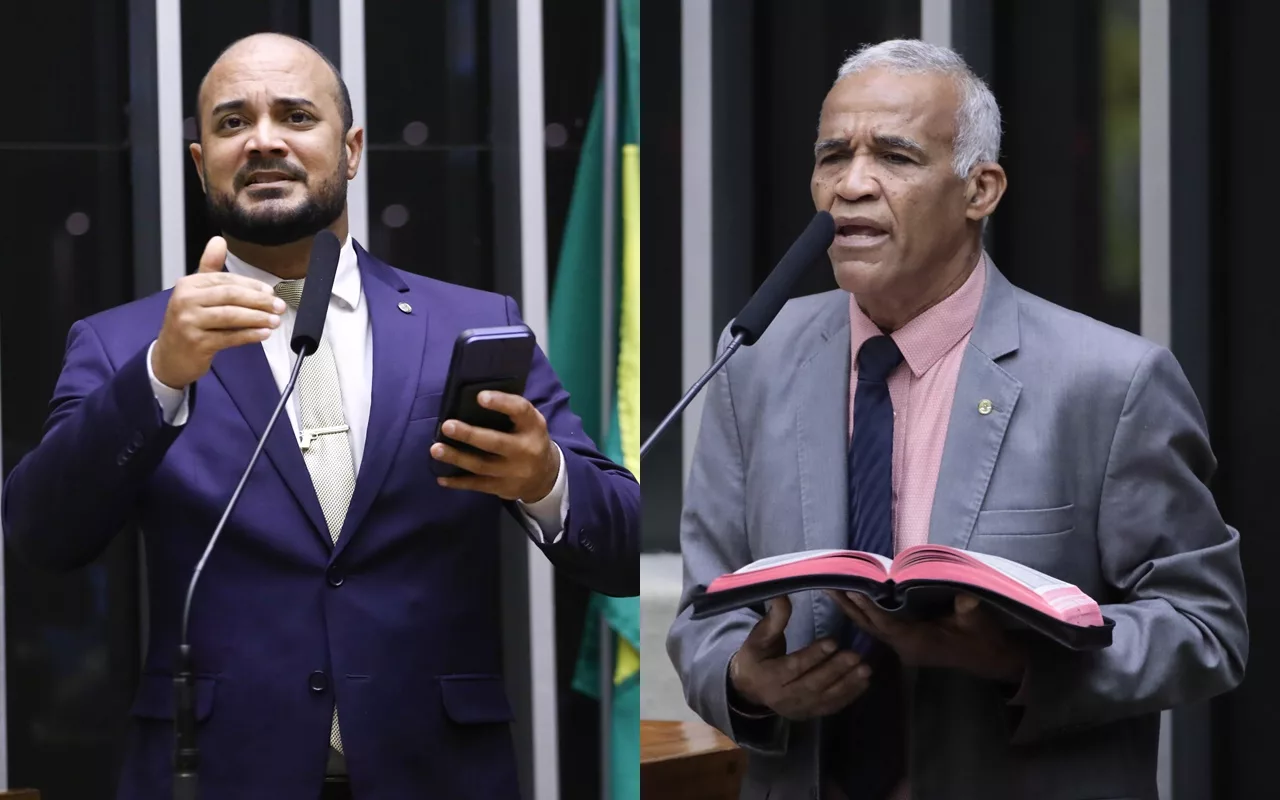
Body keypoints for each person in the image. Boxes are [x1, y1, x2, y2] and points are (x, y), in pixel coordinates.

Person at [1, 32, 638, 800]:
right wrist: (161, 376)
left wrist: (545, 479)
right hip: (219, 776)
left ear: (352, 150)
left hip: (437, 773)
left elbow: (623, 543)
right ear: (203, 163)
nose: (264, 139)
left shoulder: (472, 324)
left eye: (296, 115)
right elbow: (41, 535)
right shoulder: (127, 343)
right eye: (233, 123)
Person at [666, 39, 1246, 800]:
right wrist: (746, 679)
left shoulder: (1109, 381)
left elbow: (1205, 629)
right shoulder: (757, 359)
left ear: (981, 189)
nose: (853, 185)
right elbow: (701, 614)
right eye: (832, 156)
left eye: (896, 158)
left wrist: (1014, 661)